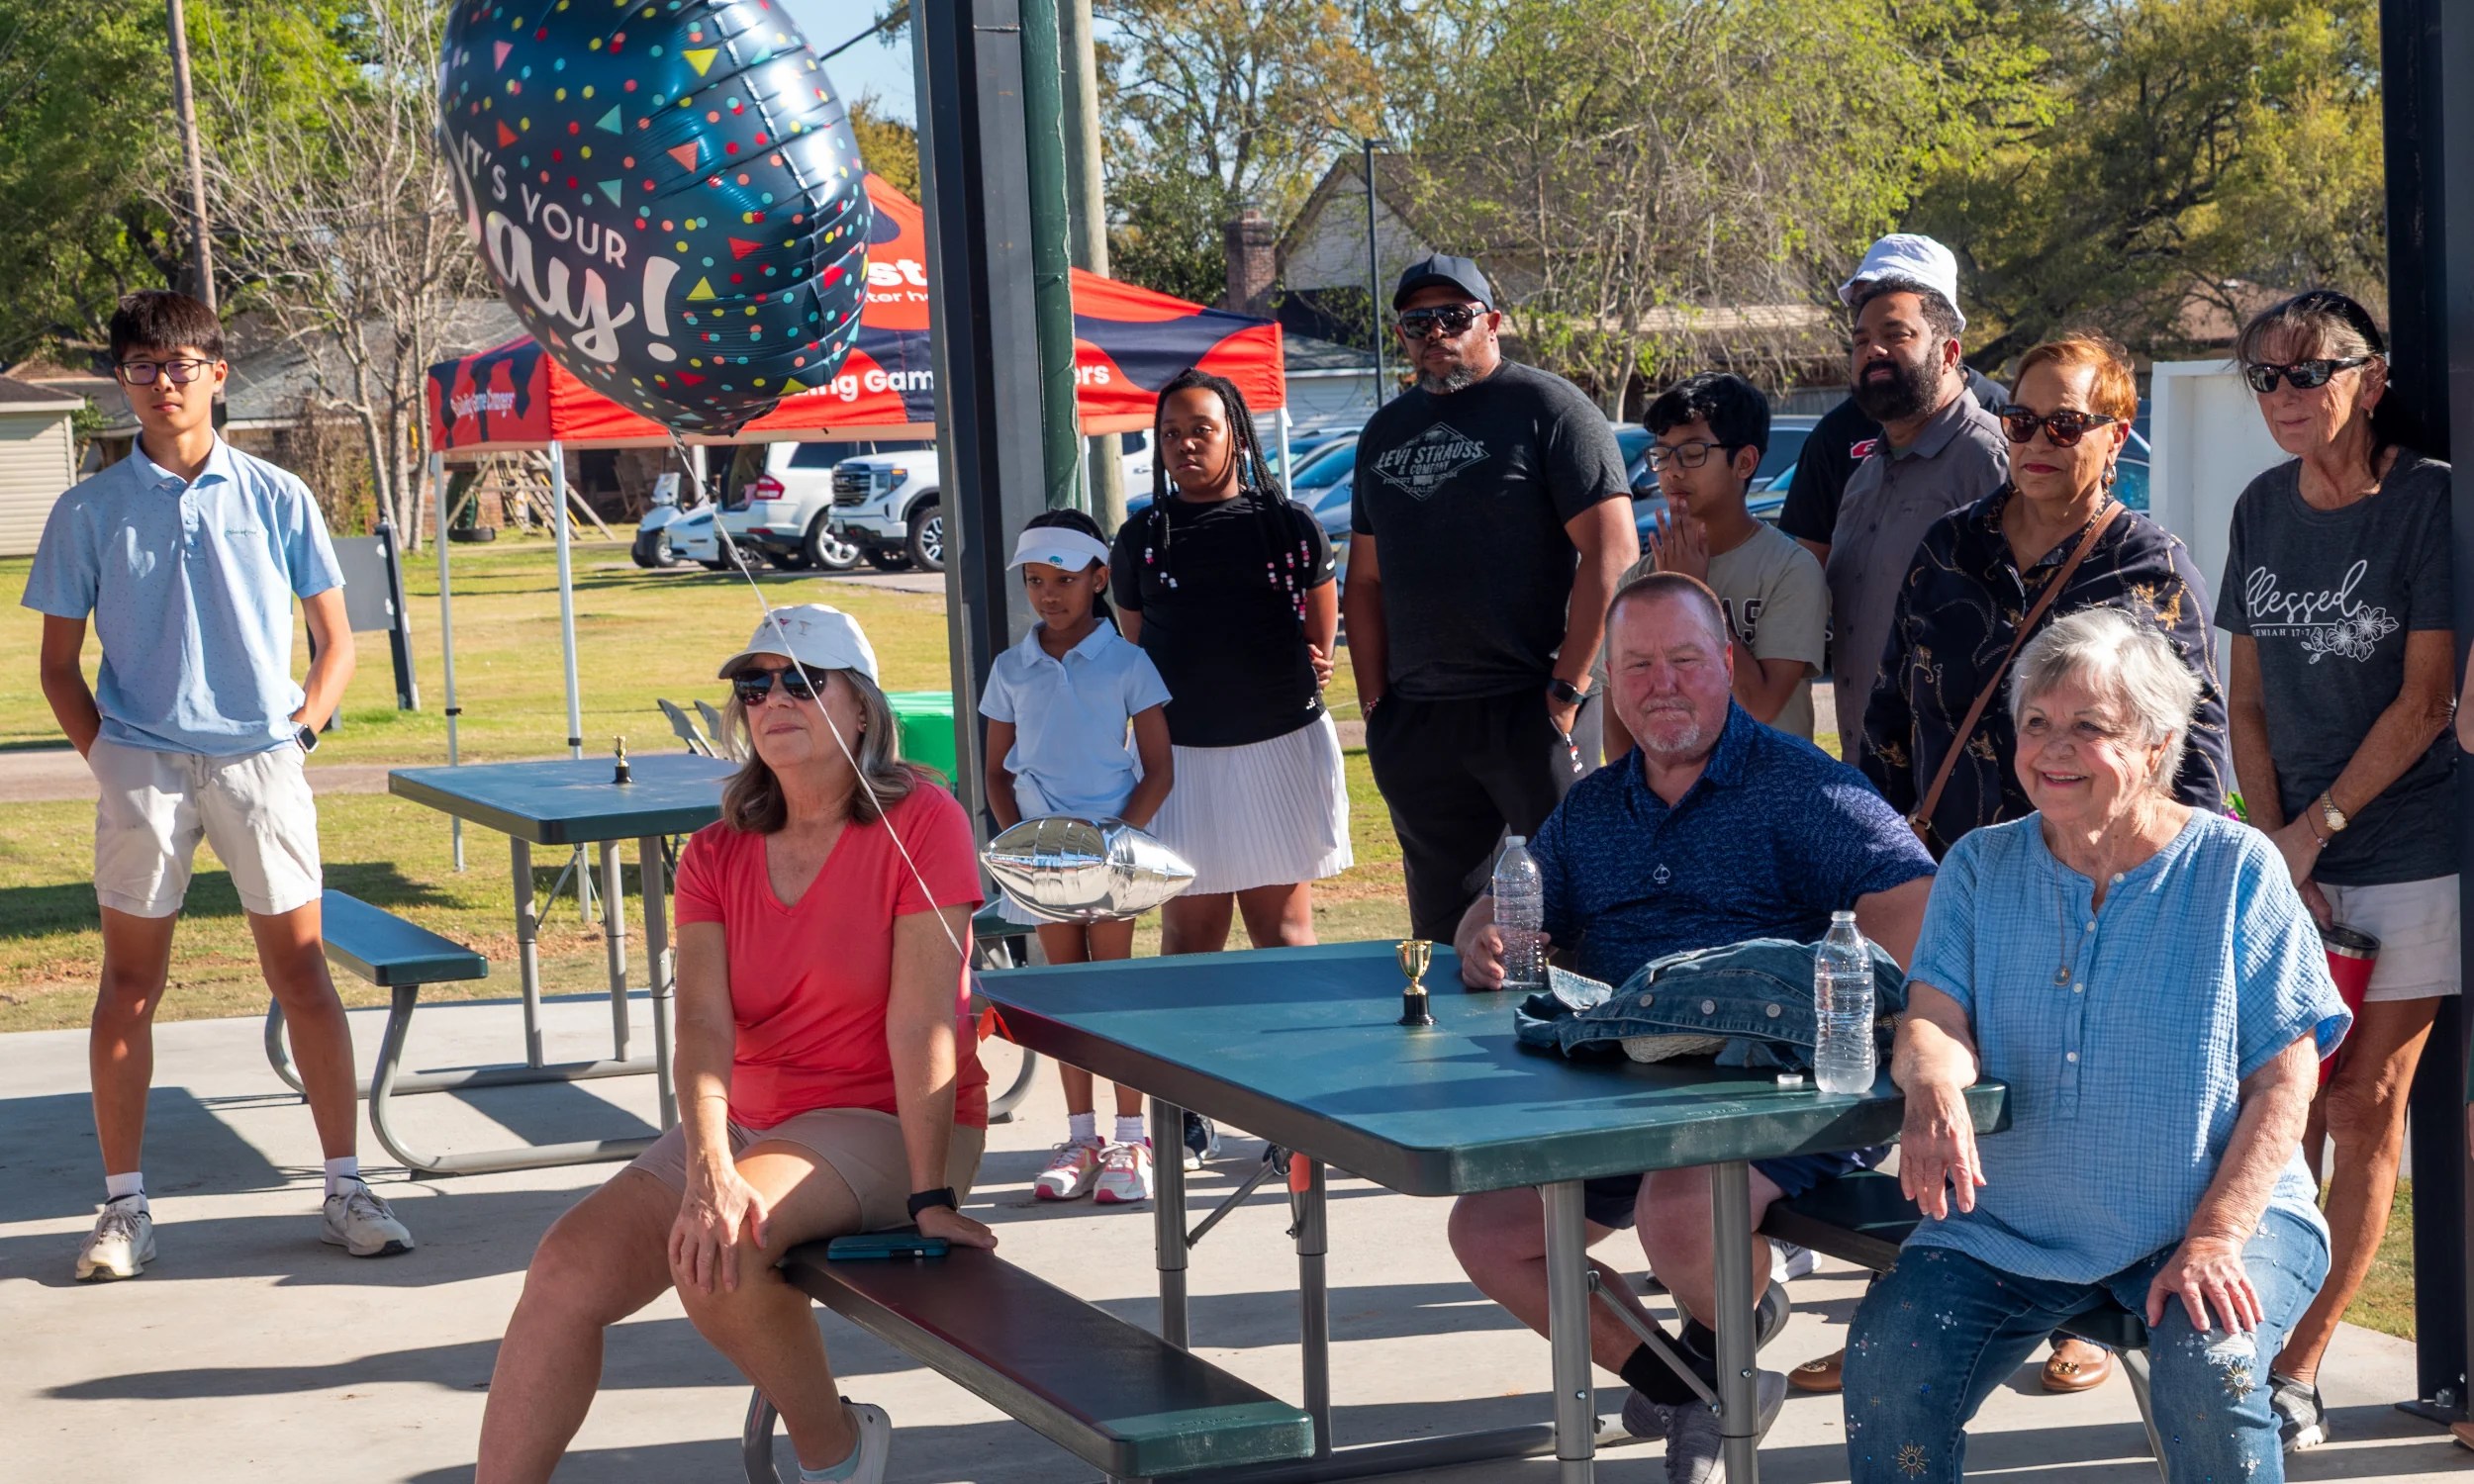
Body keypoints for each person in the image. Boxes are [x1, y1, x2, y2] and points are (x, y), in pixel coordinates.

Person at [476, 605, 992, 1484]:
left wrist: (931, 1191)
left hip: (884, 1119)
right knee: (565, 1269)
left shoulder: (924, 819)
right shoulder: (715, 850)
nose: (773, 700)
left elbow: (923, 1019)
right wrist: (708, 1157)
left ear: (860, 707)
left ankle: (835, 1453)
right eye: (756, 685)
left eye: (802, 680)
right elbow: (704, 1025)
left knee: (722, 1244)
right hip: (751, 1122)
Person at [1447, 572, 1936, 1483]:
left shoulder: (1798, 788)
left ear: (1725, 663)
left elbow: (1917, 902)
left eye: (1682, 660)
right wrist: (1484, 941)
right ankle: (1695, 1387)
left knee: (1681, 1216)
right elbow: (1495, 911)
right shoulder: (1593, 808)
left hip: (1769, 1096)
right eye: (1637, 665)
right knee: (1487, 1231)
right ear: (1612, 685)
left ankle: (1717, 1357)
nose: (1660, 684)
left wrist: (1821, 1002)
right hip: (1619, 1091)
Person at [1842, 607, 2345, 1484]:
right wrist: (1929, 1086)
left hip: (2214, 1216)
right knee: (1890, 1361)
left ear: (2156, 744)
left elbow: (2285, 1078)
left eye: (2088, 727)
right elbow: (1935, 1017)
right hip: (2008, 1225)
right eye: (2037, 723)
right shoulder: (1978, 865)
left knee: (2208, 1366)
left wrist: (2216, 1236)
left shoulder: (2235, 869)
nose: (2052, 748)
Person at [23, 289, 413, 1280]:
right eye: (144, 366)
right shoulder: (88, 510)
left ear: (216, 374)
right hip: (143, 767)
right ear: (121, 381)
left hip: (259, 763)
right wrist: (108, 756)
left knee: (304, 977)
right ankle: (123, 1210)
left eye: (181, 365)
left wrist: (304, 733)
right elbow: (57, 668)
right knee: (128, 988)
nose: (164, 383)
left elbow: (335, 643)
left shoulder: (278, 496)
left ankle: (345, 1187)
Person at [2217, 289, 2456, 1451]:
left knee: (2365, 1106)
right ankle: (2246, 1346)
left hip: (2409, 848)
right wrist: (2275, 845)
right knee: (2279, 1104)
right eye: (2261, 376)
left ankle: (2303, 1364)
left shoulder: (2428, 503)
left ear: (2368, 374)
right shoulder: (2260, 508)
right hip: (2287, 855)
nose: (2282, 396)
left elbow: (2426, 702)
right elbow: (2245, 699)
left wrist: (2321, 827)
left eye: (2305, 372)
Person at [1345, 254, 1640, 943]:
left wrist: (1568, 692)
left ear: (1493, 323)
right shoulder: (1383, 433)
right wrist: (1375, 705)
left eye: (1455, 316)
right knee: (1447, 938)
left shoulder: (1547, 408)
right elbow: (1363, 579)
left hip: (1531, 709)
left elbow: (1613, 551)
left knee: (1570, 918)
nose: (1436, 332)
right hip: (1418, 722)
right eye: (1418, 321)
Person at [1864, 333, 2231, 850]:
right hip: (1947, 874)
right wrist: (1886, 861)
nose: (2038, 442)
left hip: (2097, 883)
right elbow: (1887, 721)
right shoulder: (1947, 546)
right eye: (2021, 421)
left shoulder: (2153, 572)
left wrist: (2170, 879)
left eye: (2065, 425)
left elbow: (2196, 752)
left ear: (2117, 437)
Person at [1109, 369, 1350, 976]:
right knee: (1190, 941)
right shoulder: (1140, 538)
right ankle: (1192, 1074)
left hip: (1281, 748)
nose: (1184, 444)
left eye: (1201, 429)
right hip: (1179, 762)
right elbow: (1136, 653)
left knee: (1284, 934)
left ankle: (1297, 1068)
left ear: (1236, 437)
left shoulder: (1290, 527)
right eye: (1170, 434)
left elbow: (1319, 643)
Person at [982, 510, 1175, 1205]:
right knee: (1065, 998)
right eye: (1036, 581)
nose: (1049, 594)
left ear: (1099, 577)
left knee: (1111, 993)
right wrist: (1023, 854)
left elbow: (1158, 770)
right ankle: (1080, 1134)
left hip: (1113, 860)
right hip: (1042, 867)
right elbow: (997, 773)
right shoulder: (1012, 668)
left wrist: (1112, 845)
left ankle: (1132, 1136)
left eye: (1065, 579)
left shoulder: (1129, 661)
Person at [1816, 252, 2010, 767]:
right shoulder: (1864, 478)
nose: (1873, 349)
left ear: (1949, 353)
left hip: (1968, 784)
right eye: (1860, 341)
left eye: (1896, 334)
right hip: (1871, 777)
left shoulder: (1990, 459)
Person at [1607, 372, 1827, 745]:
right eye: (1662, 455)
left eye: (1693, 453)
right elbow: (1618, 718)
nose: (1673, 470)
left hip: (1769, 796)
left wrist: (1692, 592)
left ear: (1744, 462)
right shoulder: (1640, 578)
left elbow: (1760, 705)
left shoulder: (1790, 569)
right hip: (1671, 799)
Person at [1776, 234, 2006, 569]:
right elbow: (1813, 566)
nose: (1874, 347)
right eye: (1862, 306)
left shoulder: (2001, 432)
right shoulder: (1841, 439)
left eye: (1895, 331)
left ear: (1945, 342)